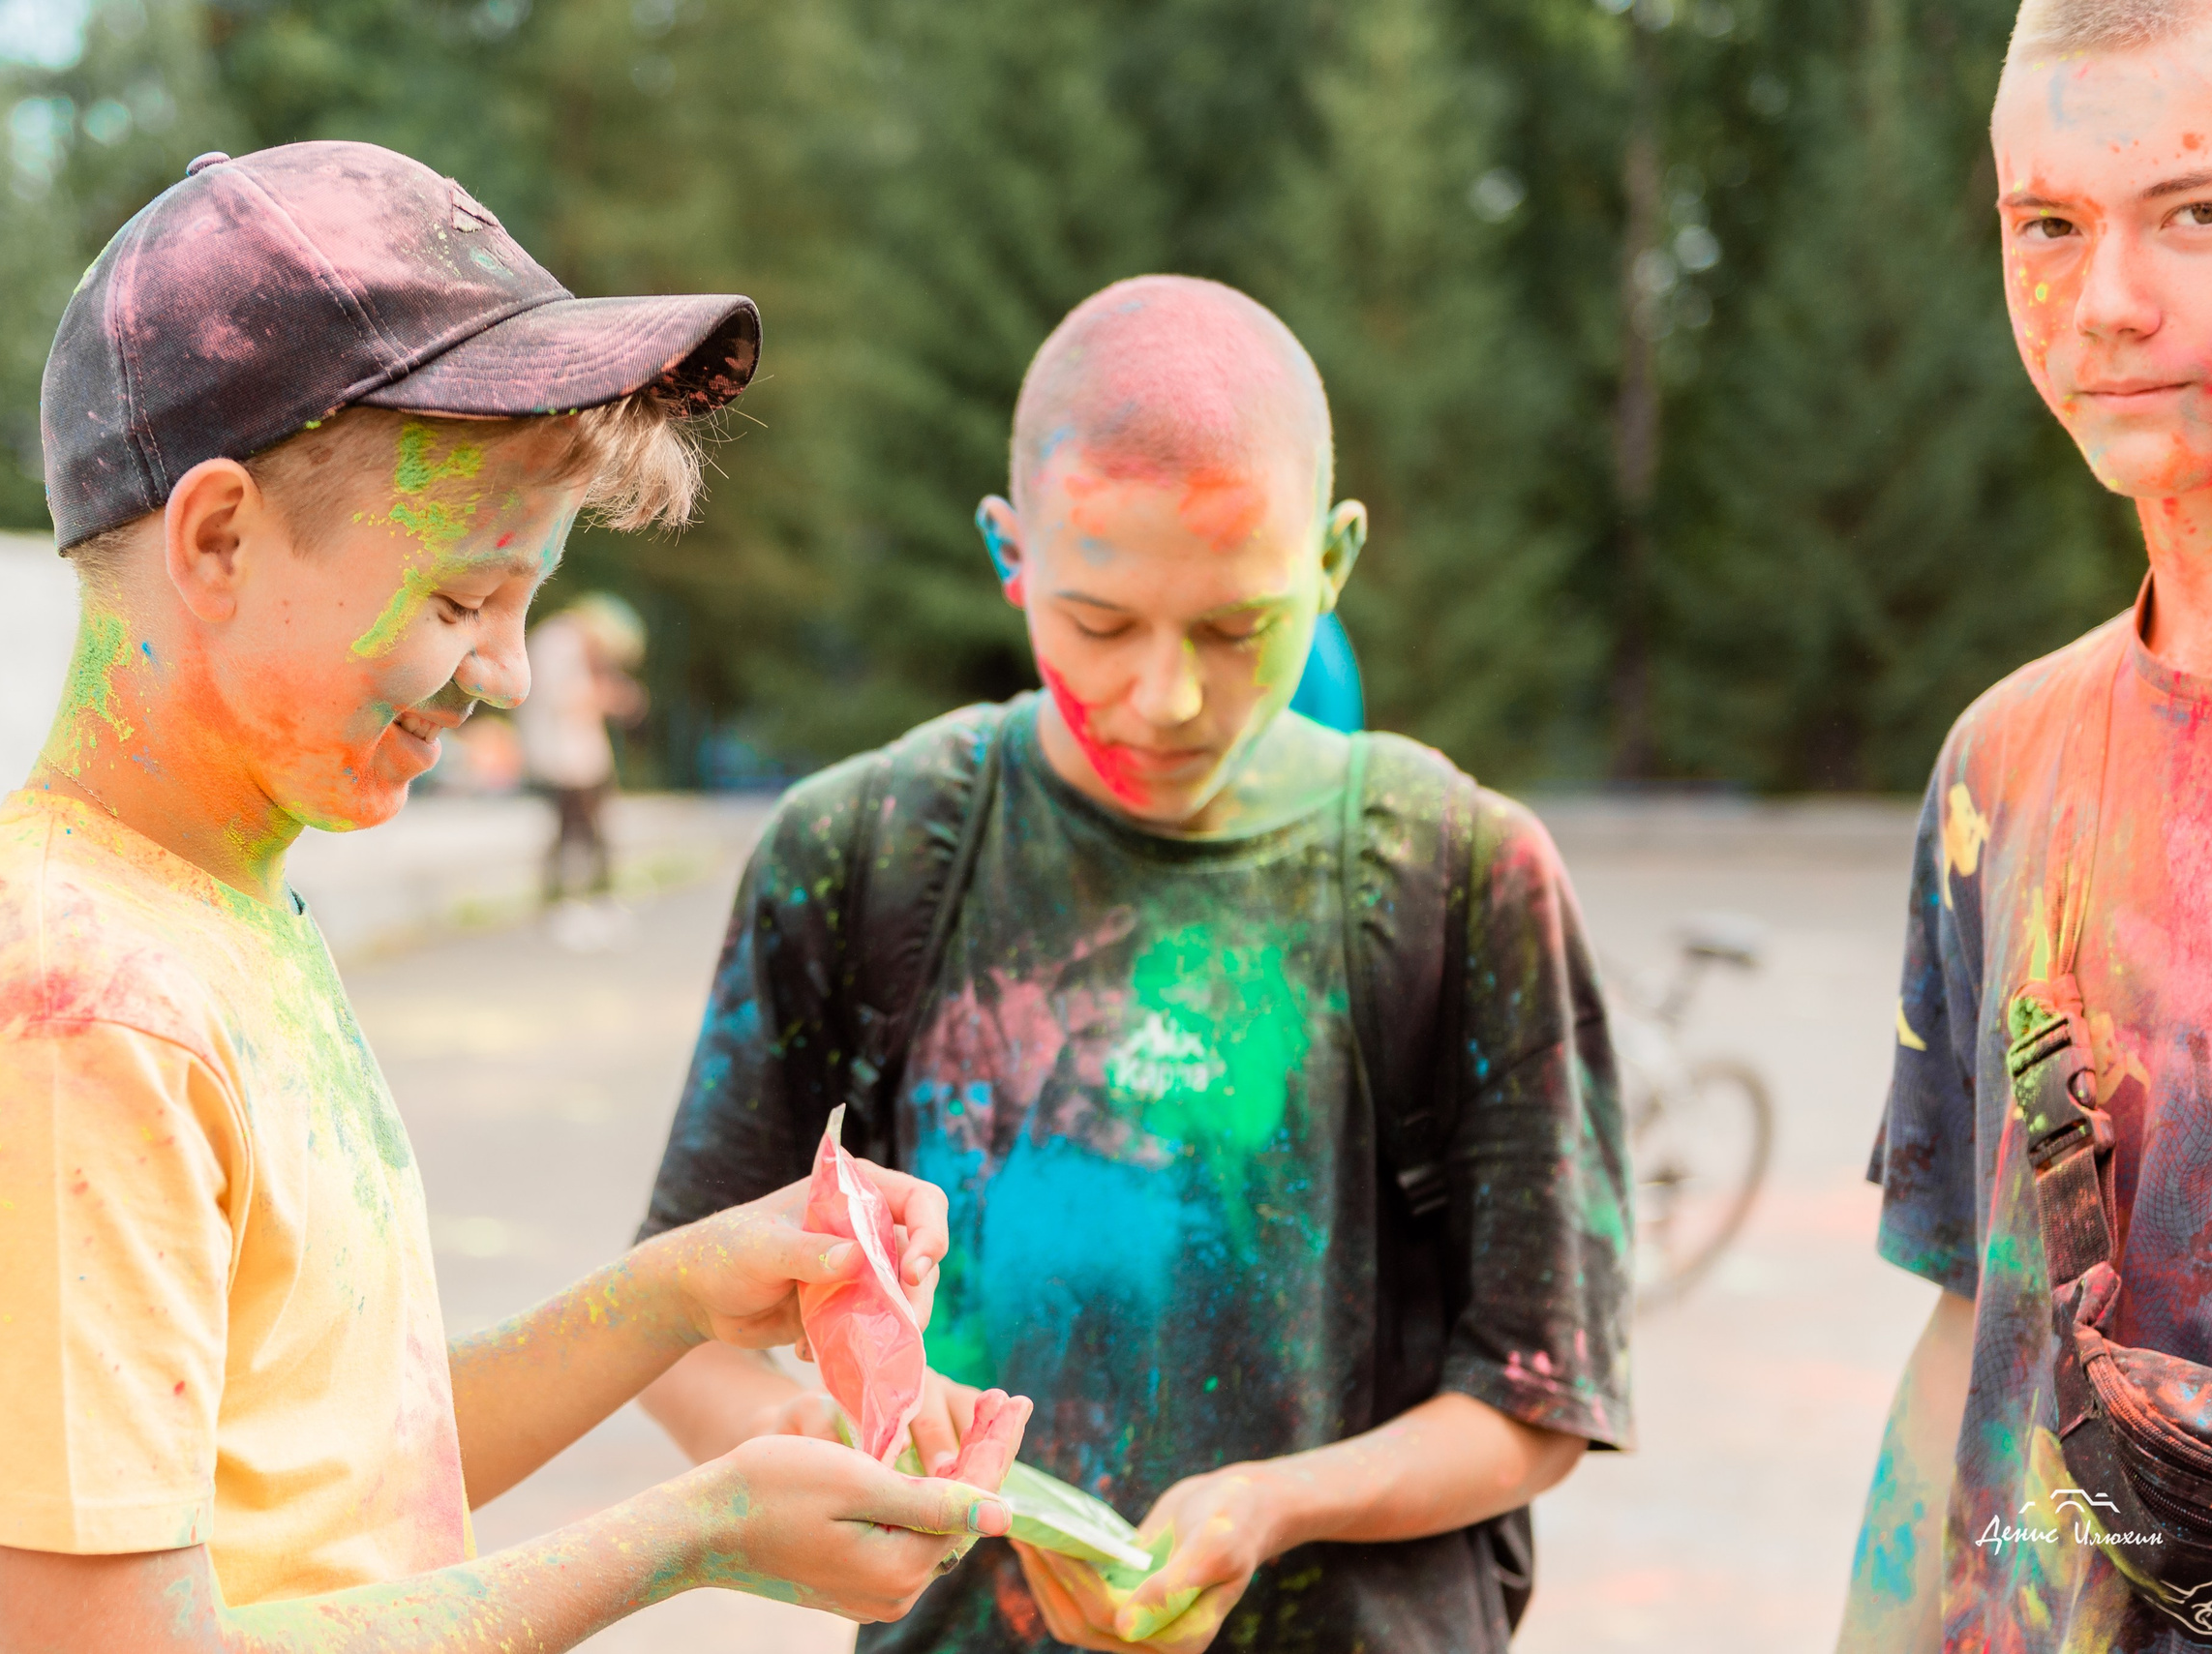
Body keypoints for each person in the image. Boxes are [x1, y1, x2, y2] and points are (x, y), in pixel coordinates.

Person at [0, 140, 1028, 1654]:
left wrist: (671, 1294)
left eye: (524, 604)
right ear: (216, 538)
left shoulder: (219, 917)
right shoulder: (78, 1022)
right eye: (461, 599)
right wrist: (689, 1534)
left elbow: (326, 1470)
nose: (509, 674)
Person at [636, 275, 1631, 1654]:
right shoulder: (861, 850)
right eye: (1098, 624)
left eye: (1238, 629)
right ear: (1011, 557)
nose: (1163, 698)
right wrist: (849, 1444)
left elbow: (1539, 1392)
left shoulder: (1460, 871)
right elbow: (676, 1323)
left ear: (1333, 564)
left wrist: (1276, 1505)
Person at [1841, 4, 2212, 1649]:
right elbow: (1970, 1323)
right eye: (2048, 223)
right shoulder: (2004, 761)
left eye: (2202, 211)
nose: (2108, 301)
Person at [521, 591, 650, 909]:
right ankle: (566, 900)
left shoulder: (574, 647)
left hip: (580, 758)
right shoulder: (557, 642)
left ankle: (587, 896)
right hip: (561, 757)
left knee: (588, 828)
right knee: (572, 829)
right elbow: (561, 698)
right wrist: (611, 697)